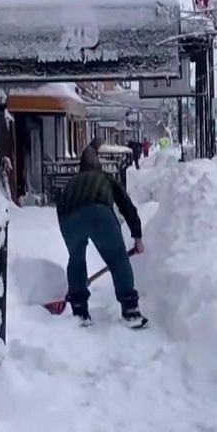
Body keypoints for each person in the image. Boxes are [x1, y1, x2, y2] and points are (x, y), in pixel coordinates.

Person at [56, 138, 147, 328]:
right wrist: (137, 236)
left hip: (69, 218)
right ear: (98, 167)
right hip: (100, 214)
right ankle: (130, 310)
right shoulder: (104, 178)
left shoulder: (72, 183)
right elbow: (126, 206)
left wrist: (71, 240)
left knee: (76, 261)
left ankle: (79, 309)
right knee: (118, 259)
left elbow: (61, 207)